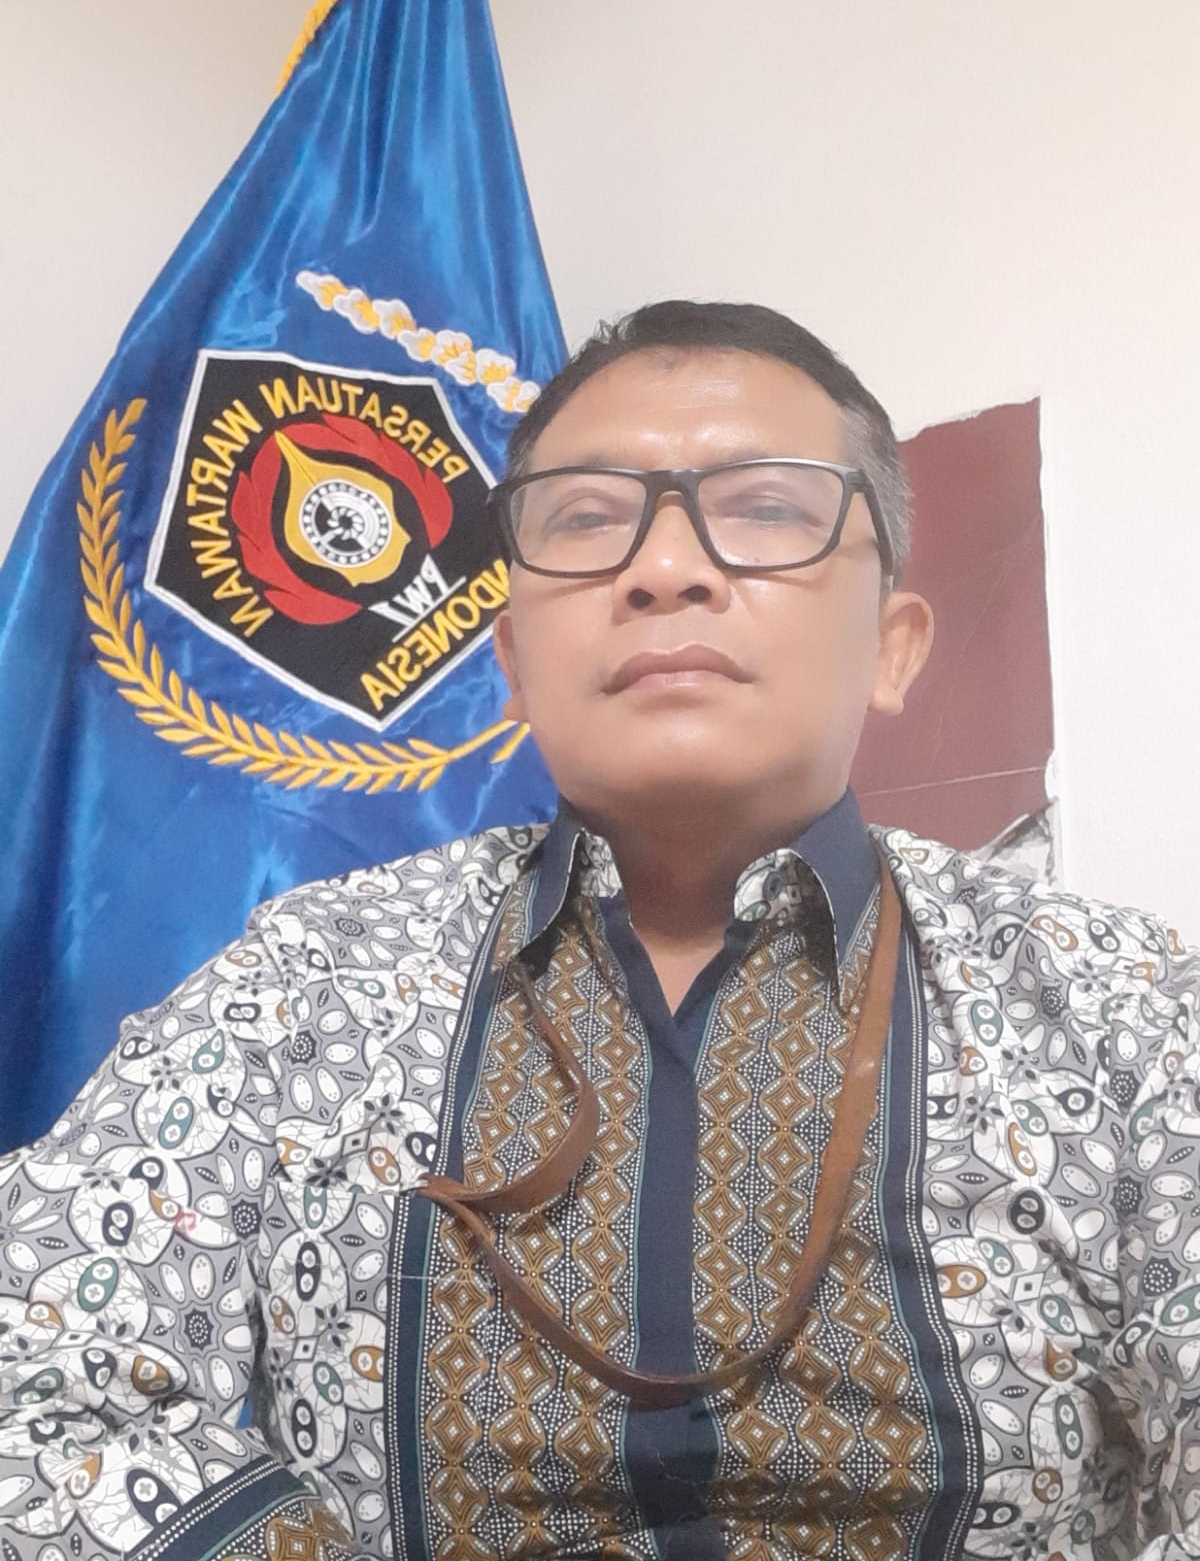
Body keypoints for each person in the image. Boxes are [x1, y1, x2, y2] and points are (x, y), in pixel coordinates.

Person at [1, 301, 1197, 1561]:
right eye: (584, 518)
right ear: (515, 664)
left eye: (764, 508)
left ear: (892, 649)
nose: (665, 567)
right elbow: (30, 1387)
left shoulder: (1117, 1003)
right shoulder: (309, 985)